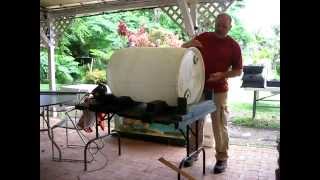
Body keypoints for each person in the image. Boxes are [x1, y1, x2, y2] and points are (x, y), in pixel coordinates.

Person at [181, 13, 243, 174]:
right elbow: (186, 51)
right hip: (198, 87)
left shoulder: (233, 46)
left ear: (230, 27)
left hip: (219, 90)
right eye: (218, 24)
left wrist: (222, 75)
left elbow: (238, 71)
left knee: (219, 124)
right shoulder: (204, 37)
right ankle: (193, 153)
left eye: (224, 25)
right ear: (215, 22)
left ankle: (222, 158)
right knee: (195, 121)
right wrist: (186, 45)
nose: (220, 27)